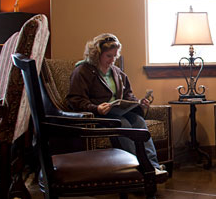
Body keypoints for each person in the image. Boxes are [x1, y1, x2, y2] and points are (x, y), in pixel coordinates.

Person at [67, 33, 166, 174]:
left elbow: (128, 95)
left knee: (138, 122)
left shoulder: (117, 72)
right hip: (99, 115)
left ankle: (153, 166)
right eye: (109, 56)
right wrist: (96, 108)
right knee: (123, 124)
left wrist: (138, 103)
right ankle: (139, 167)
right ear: (97, 54)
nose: (113, 60)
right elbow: (75, 100)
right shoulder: (83, 71)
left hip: (119, 112)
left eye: (115, 56)